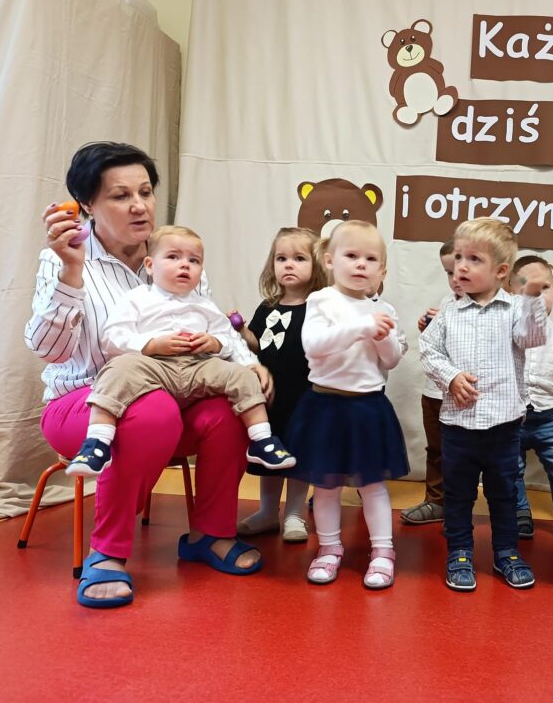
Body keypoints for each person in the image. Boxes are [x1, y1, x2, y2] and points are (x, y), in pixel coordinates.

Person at [24, 142, 267, 609]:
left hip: (175, 400)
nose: (139, 206)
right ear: (87, 204)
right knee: (151, 410)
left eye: (145, 192)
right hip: (84, 405)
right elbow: (48, 351)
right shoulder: (63, 258)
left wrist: (247, 364)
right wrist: (71, 273)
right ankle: (108, 553)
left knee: (231, 405)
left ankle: (210, 534)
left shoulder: (175, 255)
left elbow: (214, 327)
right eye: (121, 196)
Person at [66, 225, 294, 477]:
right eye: (173, 257)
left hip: (198, 367)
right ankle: (97, 442)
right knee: (116, 369)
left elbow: (230, 338)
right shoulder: (137, 298)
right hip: (154, 367)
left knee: (243, 375)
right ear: (150, 265)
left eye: (194, 261)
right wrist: (152, 345)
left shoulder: (205, 305)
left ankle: (262, 439)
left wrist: (216, 343)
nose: (185, 265)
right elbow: (113, 337)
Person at [419, 217, 547, 591]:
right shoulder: (449, 311)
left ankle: (506, 552)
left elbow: (532, 338)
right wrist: (451, 377)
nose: (461, 266)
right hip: (458, 426)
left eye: (474, 259)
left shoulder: (514, 309)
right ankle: (459, 551)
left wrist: (532, 298)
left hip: (503, 427)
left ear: (501, 271)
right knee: (458, 494)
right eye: (459, 257)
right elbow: (428, 350)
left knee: (503, 493)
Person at [284, 221, 408, 588]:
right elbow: (314, 346)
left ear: (382, 271)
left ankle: (383, 551)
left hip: (368, 407)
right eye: (351, 255)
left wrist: (382, 336)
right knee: (325, 485)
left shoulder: (383, 308)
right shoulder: (322, 300)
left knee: (373, 485)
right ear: (329, 260)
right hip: (325, 405)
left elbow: (391, 360)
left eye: (370, 259)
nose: (360, 264)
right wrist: (363, 328)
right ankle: (329, 548)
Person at [234, 227, 327, 542]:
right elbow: (258, 344)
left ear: (317, 265)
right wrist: (241, 331)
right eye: (281, 258)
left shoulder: (319, 308)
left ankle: (294, 514)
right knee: (270, 454)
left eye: (299, 258)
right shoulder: (268, 307)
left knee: (299, 456)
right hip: (271, 397)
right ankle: (267, 512)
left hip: (305, 396)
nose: (288, 265)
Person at [508, 255, 553, 542]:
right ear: (511, 292)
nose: (537, 295)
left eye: (544, 288)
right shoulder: (507, 330)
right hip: (512, 416)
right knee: (512, 469)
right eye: (528, 288)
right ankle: (520, 511)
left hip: (549, 416)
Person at [401, 238, 460, 525]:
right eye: (449, 273)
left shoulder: (493, 307)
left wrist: (446, 326)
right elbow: (434, 348)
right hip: (435, 392)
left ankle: (460, 506)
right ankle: (436, 501)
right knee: (436, 450)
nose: (455, 279)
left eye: (460, 270)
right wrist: (429, 327)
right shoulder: (448, 302)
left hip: (461, 394)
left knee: (464, 455)